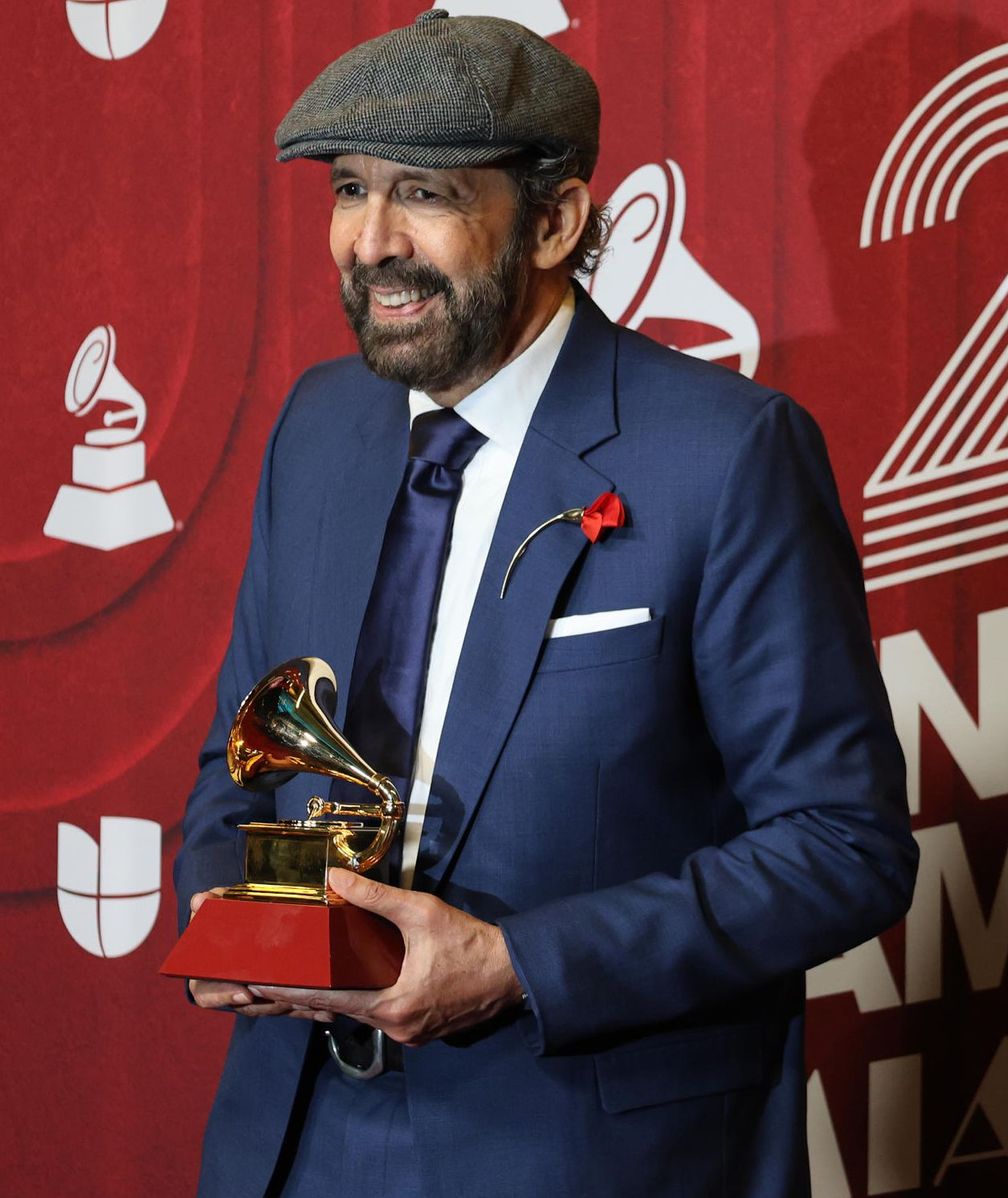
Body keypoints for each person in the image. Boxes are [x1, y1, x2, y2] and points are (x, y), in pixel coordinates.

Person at [174, 10, 917, 1197]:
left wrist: (519, 961)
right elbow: (239, 757)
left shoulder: (723, 455)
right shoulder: (315, 429)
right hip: (294, 1136)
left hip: (580, 1149)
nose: (369, 243)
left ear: (555, 221)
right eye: (348, 189)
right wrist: (226, 907)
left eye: (421, 194)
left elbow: (844, 848)